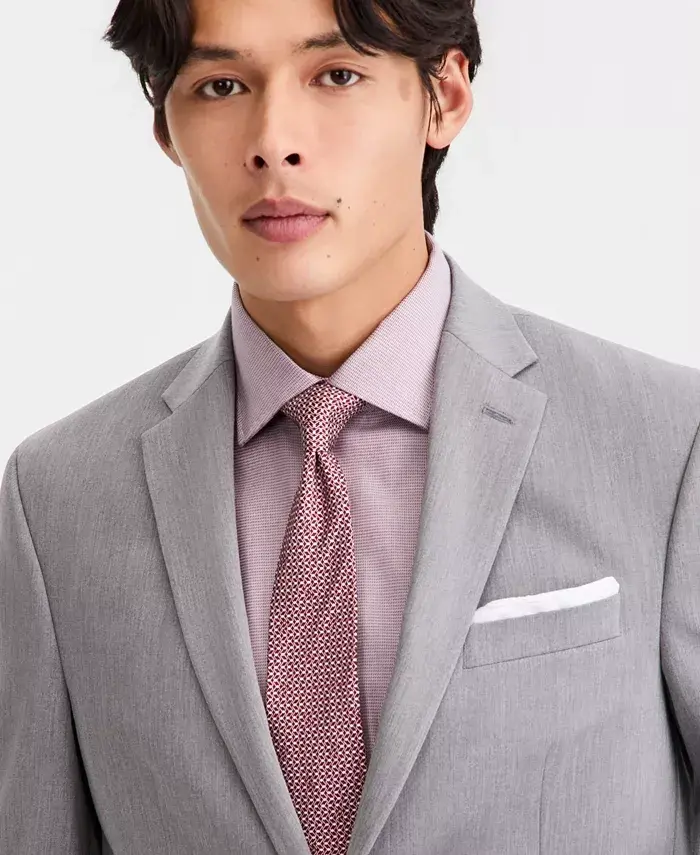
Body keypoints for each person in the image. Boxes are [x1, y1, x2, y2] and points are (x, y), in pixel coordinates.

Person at [1, 0, 698, 851]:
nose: (274, 142)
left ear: (445, 97)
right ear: (165, 129)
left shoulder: (669, 444)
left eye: (337, 74)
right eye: (220, 86)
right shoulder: (57, 501)